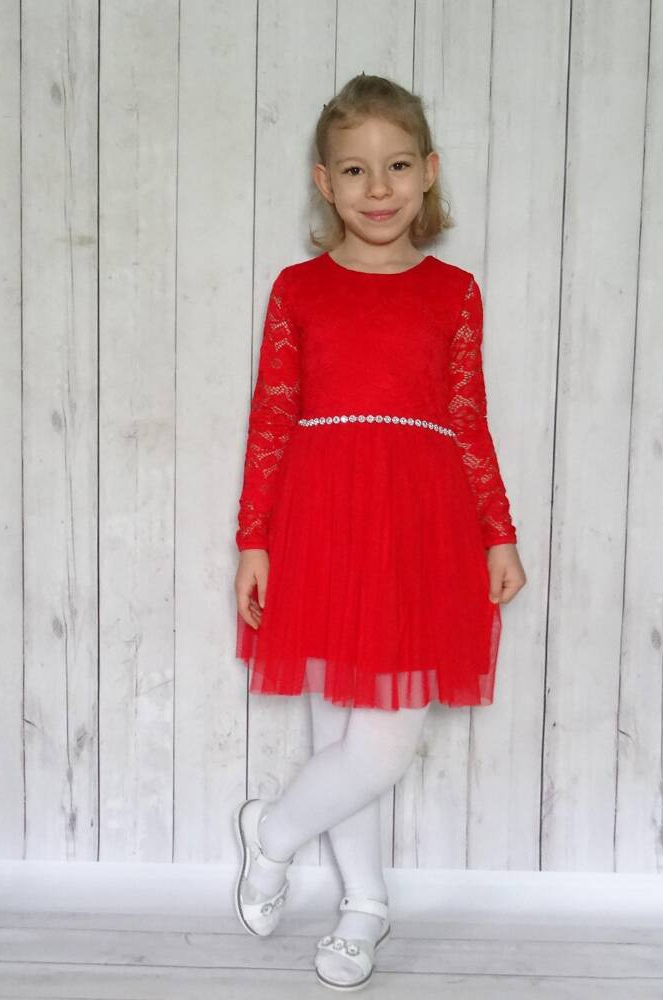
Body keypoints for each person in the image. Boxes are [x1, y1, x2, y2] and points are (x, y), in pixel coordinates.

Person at [232, 72, 527, 991]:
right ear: (325, 183)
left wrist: (498, 531)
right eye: (355, 170)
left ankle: (271, 832)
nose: (378, 187)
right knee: (341, 730)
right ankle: (366, 906)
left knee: (381, 743)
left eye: (397, 165)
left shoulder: (454, 292)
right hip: (320, 523)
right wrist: (254, 539)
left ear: (428, 171)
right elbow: (272, 417)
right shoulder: (299, 290)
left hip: (419, 528)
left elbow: (467, 418)